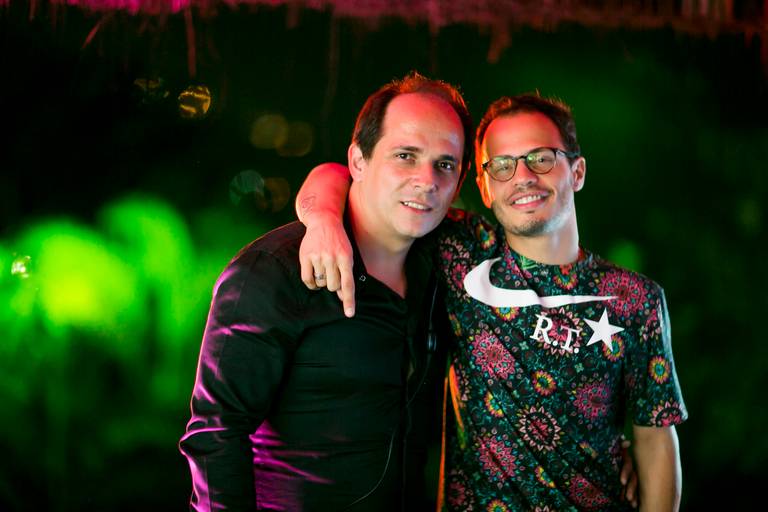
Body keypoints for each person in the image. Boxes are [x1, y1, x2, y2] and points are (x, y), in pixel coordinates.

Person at [296, 93, 685, 510]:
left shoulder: (635, 299)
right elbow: (341, 173)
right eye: (502, 165)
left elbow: (655, 439)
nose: (523, 177)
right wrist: (321, 219)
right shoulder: (461, 252)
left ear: (577, 171)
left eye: (541, 158)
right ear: (483, 187)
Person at [178, 72, 473, 511]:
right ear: (359, 161)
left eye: (444, 164)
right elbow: (216, 433)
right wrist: (321, 217)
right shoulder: (274, 271)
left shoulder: (448, 261)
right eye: (405, 156)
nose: (426, 180)